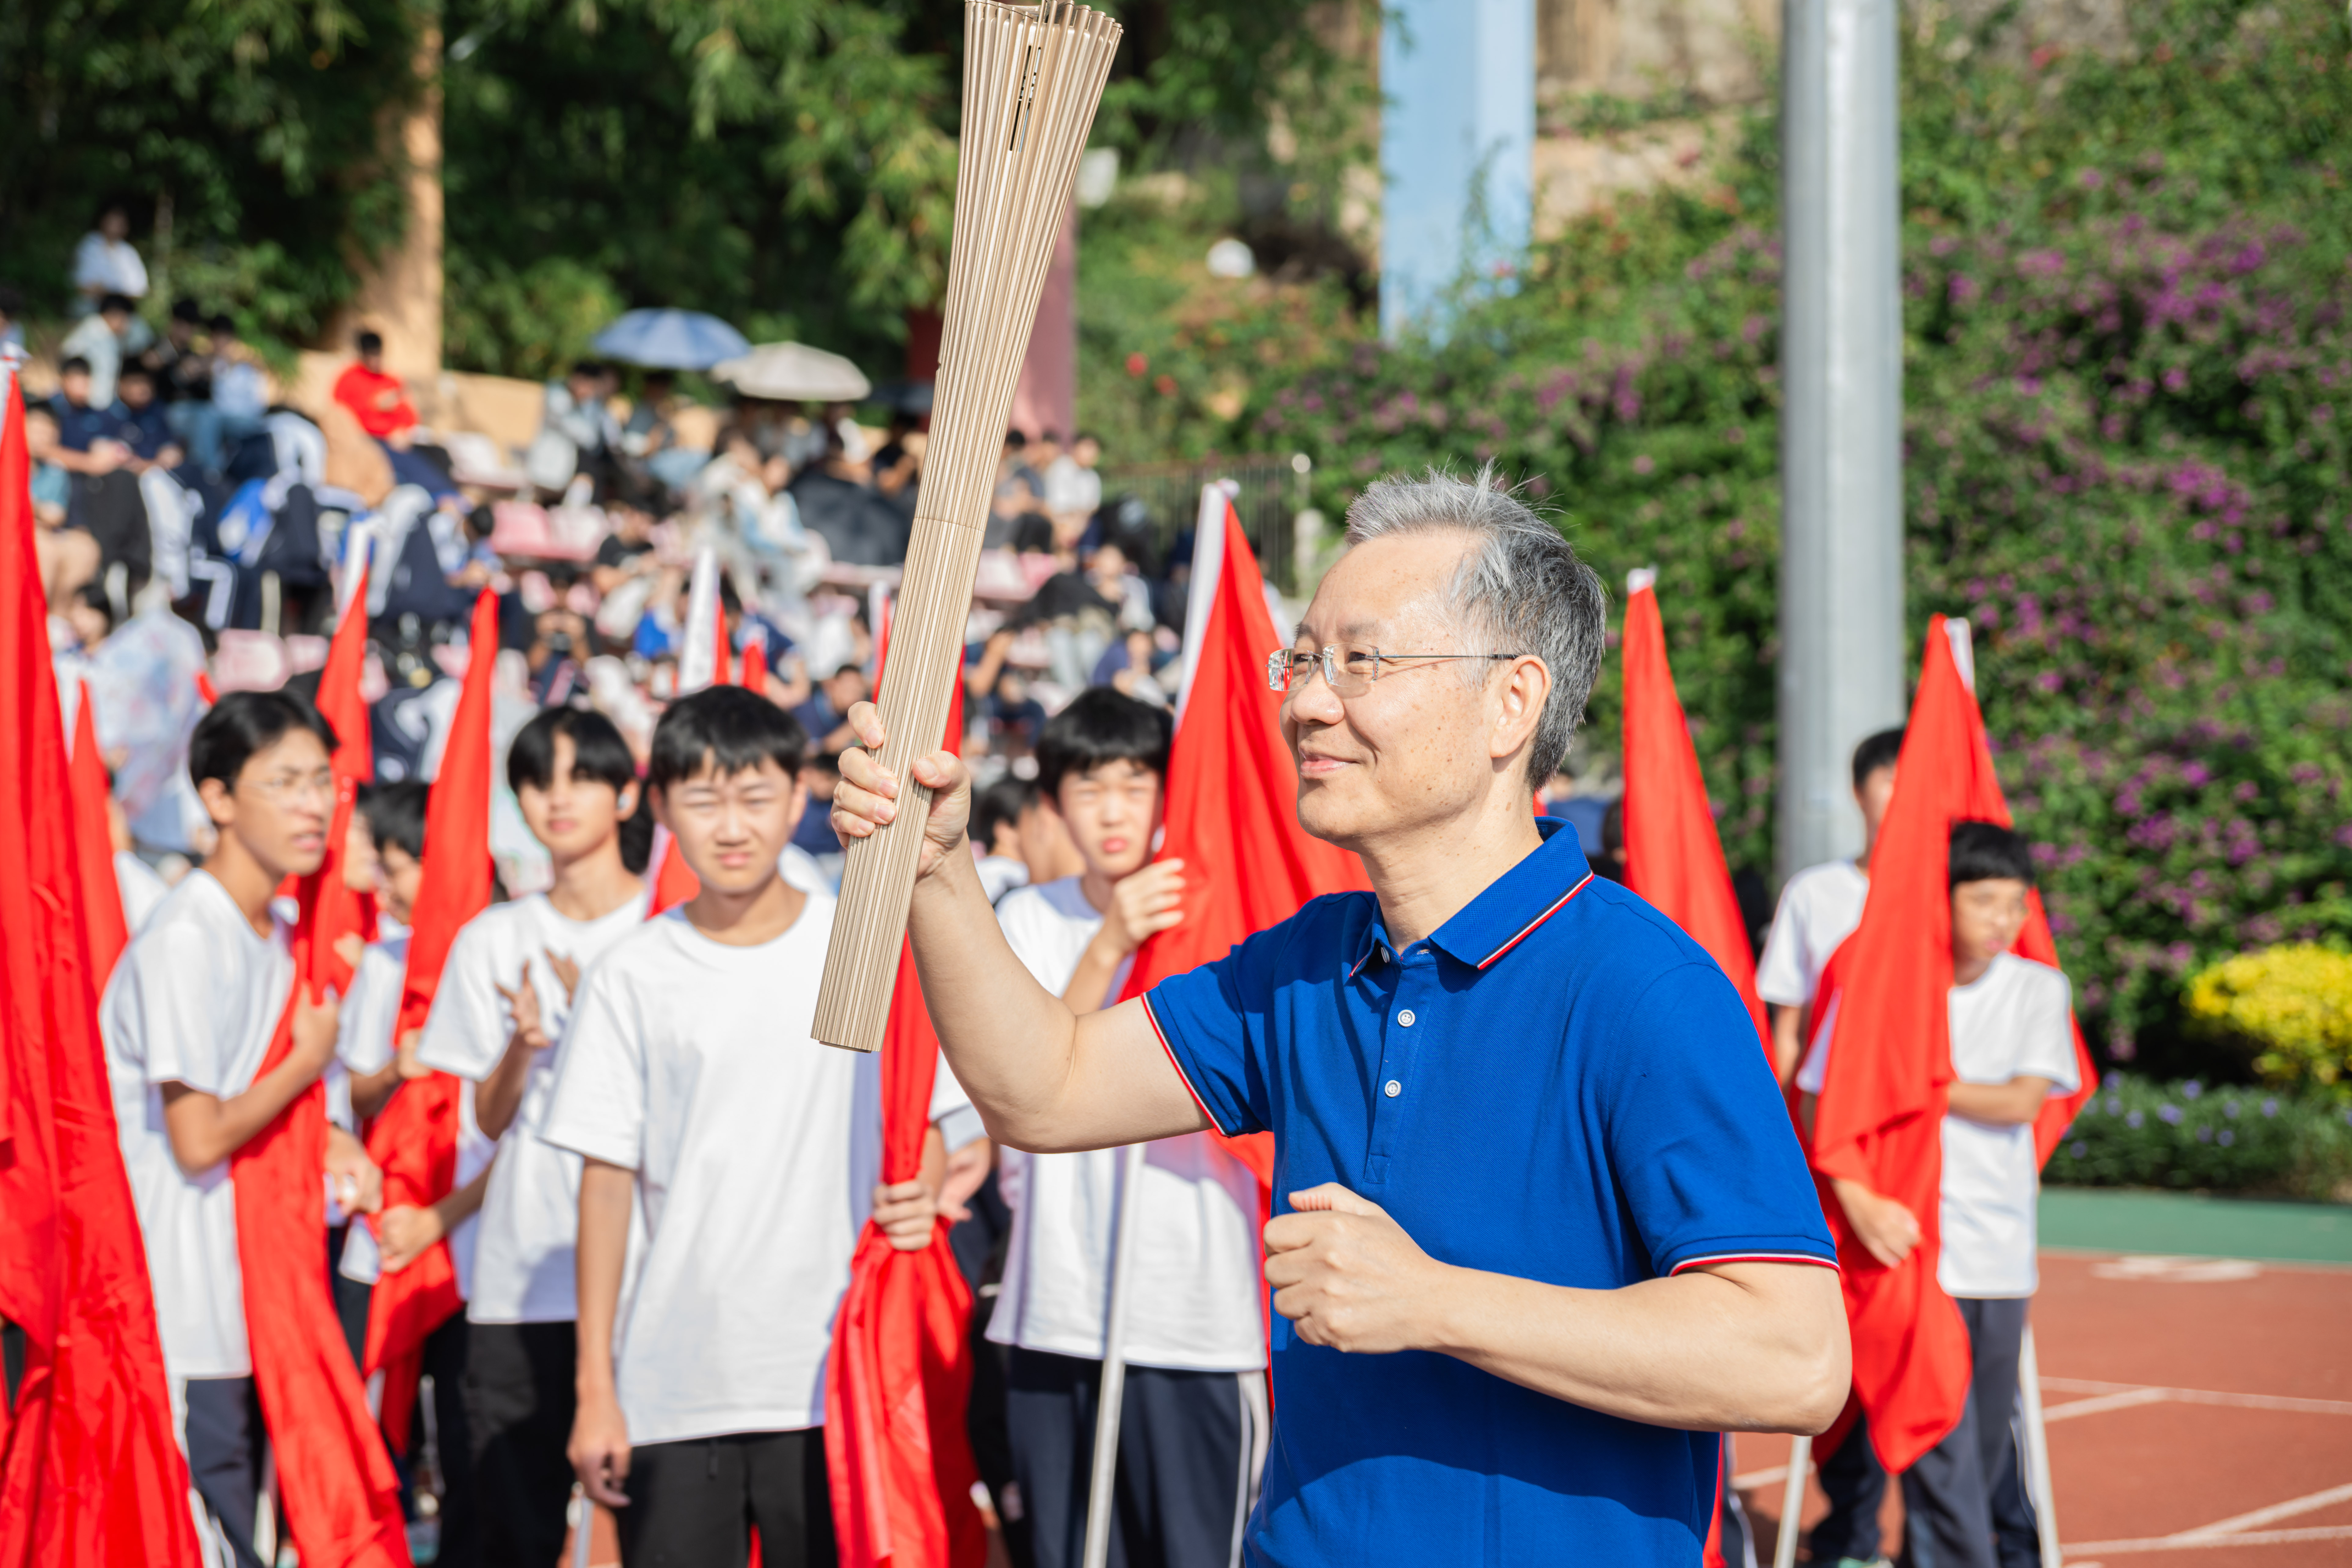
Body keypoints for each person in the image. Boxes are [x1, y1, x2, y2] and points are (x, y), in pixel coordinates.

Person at [833, 469, 1849, 1565]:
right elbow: (1045, 1085)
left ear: (1513, 699)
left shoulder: (1639, 986)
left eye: (1362, 661)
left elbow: (1794, 1358)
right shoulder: (1312, 959)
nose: (1309, 702)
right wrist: (936, 868)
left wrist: (1435, 1300)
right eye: (1305, 658)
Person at [545, 687, 956, 1566]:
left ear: (800, 792)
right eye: (701, 798)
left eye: (754, 795)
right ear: (658, 806)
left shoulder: (862, 946)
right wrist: (594, 1389)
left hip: (833, 1378)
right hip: (674, 1378)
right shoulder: (632, 975)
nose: (730, 826)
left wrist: (928, 1181)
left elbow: (935, 1116)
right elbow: (605, 1186)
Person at [99, 691, 387, 1568]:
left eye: (323, 782)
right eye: (285, 781)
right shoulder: (188, 935)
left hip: (265, 1291)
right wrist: (304, 1065)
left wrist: (333, 1128)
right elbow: (198, 1135)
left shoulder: (284, 930)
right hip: (186, 1303)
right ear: (219, 797)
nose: (313, 804)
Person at [985, 689, 1270, 1568]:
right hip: (1056, 1311)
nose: (1112, 809)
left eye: (1135, 782)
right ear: (1054, 799)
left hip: (1198, 1317)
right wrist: (1108, 942)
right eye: (1087, 784)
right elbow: (1029, 1076)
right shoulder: (1030, 918)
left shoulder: (1224, 918)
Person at [1795, 820, 2076, 1568]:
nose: (2003, 921)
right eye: (1984, 900)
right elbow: (1825, 1100)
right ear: (1940, 899)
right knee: (1935, 1443)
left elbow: (2023, 1101)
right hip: (1909, 1252)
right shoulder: (1883, 986)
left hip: (1995, 1252)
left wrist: (1914, 1081)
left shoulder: (2037, 987)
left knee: (1980, 1452)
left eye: (2017, 904)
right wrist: (1859, 1201)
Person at [408, 708, 650, 1568]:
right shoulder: (495, 936)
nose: (557, 797)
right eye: (537, 780)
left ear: (625, 792)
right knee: (509, 1523)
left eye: (579, 776)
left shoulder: (666, 932)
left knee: (654, 1525)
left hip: (643, 1270)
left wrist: (596, 1017)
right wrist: (524, 1042)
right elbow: (485, 1116)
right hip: (518, 1273)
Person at [334, 780, 489, 1567]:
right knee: (375, 1417)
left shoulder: (502, 946)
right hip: (385, 1231)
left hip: (471, 1239)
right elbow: (351, 1087)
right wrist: (396, 1069)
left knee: (468, 1435)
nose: (386, 884)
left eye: (401, 865)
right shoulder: (385, 960)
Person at [1756, 726, 1905, 1084]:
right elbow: (1790, 1029)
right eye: (1891, 779)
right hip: (1830, 1103)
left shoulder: (1952, 893)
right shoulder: (1812, 891)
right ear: (1859, 792)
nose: (1905, 793)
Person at [334, 329, 421, 444]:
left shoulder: (391, 381)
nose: (377, 360)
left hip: (393, 441)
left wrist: (402, 430)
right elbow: (339, 415)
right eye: (372, 355)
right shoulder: (349, 379)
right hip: (365, 440)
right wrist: (374, 405)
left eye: (378, 354)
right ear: (363, 354)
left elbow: (410, 416)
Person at [61, 292, 138, 409]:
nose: (127, 324)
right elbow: (68, 359)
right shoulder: (92, 330)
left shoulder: (111, 336)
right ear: (114, 314)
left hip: (101, 403)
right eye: (125, 318)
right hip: (86, 402)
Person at [74, 203, 149, 308]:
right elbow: (81, 285)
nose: (116, 227)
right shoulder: (89, 246)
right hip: (90, 309)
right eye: (113, 222)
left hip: (121, 312)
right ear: (103, 221)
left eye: (120, 224)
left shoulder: (130, 253)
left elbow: (140, 290)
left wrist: (112, 295)